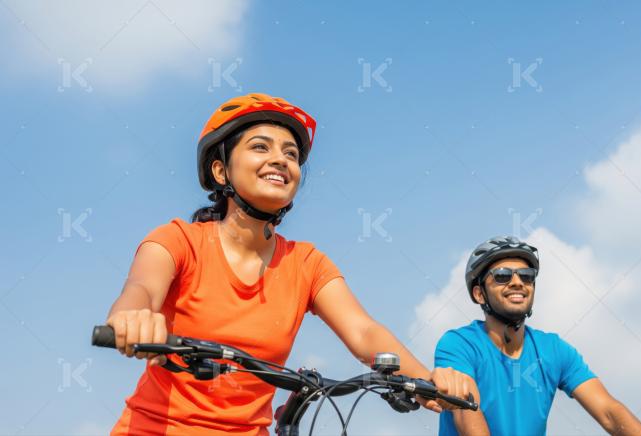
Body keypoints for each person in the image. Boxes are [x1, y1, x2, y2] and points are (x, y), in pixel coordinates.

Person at [105, 93, 475, 434]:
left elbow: (364, 333)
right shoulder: (179, 240)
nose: (281, 159)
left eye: (291, 154)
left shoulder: (306, 263)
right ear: (221, 172)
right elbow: (141, 289)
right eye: (259, 147)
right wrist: (133, 317)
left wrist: (427, 381)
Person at [435, 236, 641, 435]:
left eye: (527, 276)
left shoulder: (553, 349)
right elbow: (466, 408)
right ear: (479, 293)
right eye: (502, 275)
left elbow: (609, 413)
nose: (517, 282)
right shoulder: (459, 344)